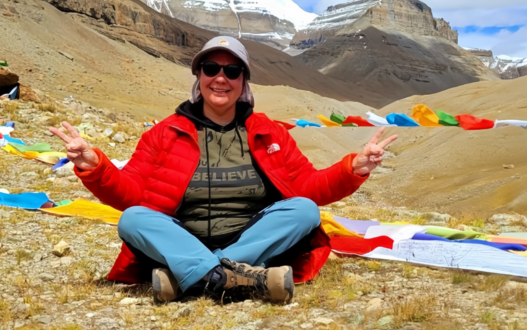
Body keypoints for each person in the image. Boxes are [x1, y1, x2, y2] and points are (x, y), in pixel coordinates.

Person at [51, 36, 397, 304]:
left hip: (250, 239)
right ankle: (238, 279)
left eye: (232, 71)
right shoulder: (165, 133)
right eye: (211, 68)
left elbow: (307, 186)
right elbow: (132, 194)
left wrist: (353, 168)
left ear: (243, 81)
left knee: (304, 210)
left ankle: (193, 276)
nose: (221, 78)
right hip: (184, 237)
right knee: (133, 219)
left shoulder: (269, 132)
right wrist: (95, 167)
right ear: (198, 76)